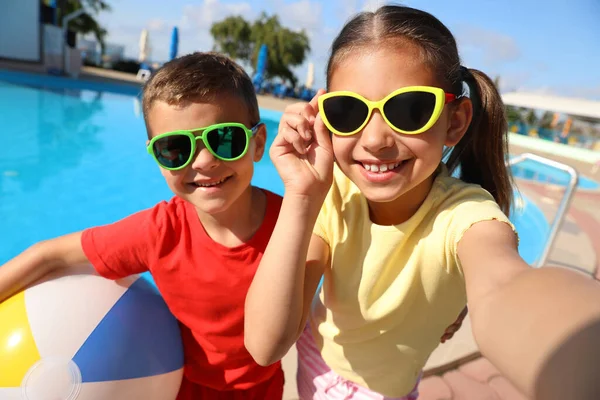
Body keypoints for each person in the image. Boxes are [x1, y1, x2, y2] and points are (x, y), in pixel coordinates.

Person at [244, 5, 600, 400]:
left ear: (455, 121)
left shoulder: (465, 218)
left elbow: (505, 284)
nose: (376, 139)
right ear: (323, 117)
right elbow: (265, 345)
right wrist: (300, 195)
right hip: (317, 359)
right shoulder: (333, 194)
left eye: (410, 109)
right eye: (347, 111)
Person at [0, 52, 284, 400]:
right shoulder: (161, 232)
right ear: (156, 157)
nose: (205, 161)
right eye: (175, 149)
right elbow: (49, 255)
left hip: (262, 392)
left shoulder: (291, 224)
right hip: (173, 388)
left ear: (257, 144)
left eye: (225, 139)